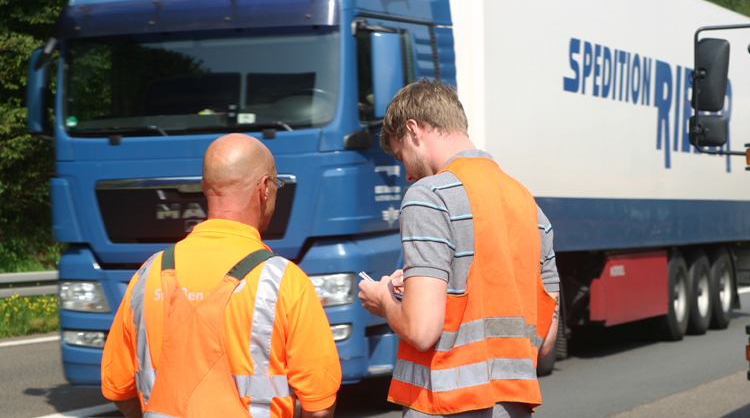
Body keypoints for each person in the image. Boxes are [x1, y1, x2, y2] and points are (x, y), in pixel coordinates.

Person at [358, 79, 560, 418]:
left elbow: (422, 331)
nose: (406, 173)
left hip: (446, 405)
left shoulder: (429, 196)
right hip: (512, 406)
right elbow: (546, 339)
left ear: (414, 130)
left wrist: (384, 303)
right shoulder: (529, 206)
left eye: (400, 155)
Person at [102, 133, 341, 418]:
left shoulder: (148, 274)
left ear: (205, 188)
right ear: (264, 188)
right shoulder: (285, 281)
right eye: (276, 184)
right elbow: (319, 406)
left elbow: (118, 388)